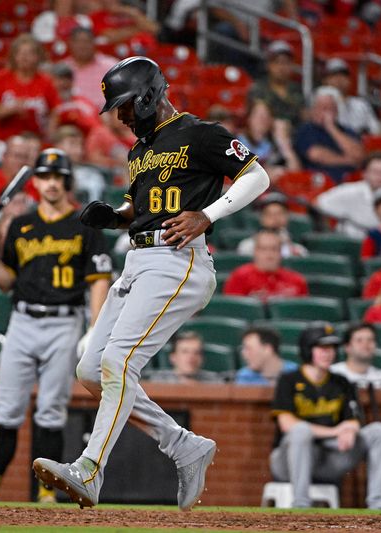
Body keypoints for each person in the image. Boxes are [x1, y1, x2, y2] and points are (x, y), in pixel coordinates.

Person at [33, 56, 270, 510]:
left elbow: (257, 175)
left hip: (178, 258)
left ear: (147, 95)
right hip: (139, 258)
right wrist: (116, 216)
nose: (120, 115)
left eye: (124, 105)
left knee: (119, 361)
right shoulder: (138, 151)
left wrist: (208, 214)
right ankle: (182, 445)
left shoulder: (201, 133)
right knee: (90, 370)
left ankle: (89, 469)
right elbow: (141, 206)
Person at [0, 148, 111, 503]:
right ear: (35, 183)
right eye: (46, 177)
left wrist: (94, 329)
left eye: (58, 177)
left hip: (64, 321)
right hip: (21, 320)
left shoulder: (85, 223)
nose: (51, 183)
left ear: (67, 182)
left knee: (50, 411)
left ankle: (45, 493)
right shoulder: (21, 225)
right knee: (7, 410)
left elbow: (98, 279)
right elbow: (7, 281)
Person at [270, 323, 381, 509]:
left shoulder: (341, 382)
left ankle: (379, 506)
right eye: (322, 348)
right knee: (301, 431)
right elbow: (287, 425)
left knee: (379, 431)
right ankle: (301, 504)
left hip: (329, 459)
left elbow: (353, 418)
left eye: (332, 348)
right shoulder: (289, 380)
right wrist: (335, 431)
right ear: (308, 349)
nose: (328, 353)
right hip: (287, 462)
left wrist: (350, 429)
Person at [0, 33, 60, 141]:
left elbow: (55, 112)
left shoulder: (46, 81)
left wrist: (50, 135)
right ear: (14, 56)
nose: (24, 57)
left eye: (29, 53)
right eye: (20, 53)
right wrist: (10, 109)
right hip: (5, 140)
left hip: (36, 140)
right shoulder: (1, 78)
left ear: (37, 57)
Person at [315, 151, 381, 239]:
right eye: (375, 172)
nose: (380, 176)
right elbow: (318, 203)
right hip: (352, 243)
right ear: (364, 174)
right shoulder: (349, 191)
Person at [294, 86, 364, 183]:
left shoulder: (346, 131)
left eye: (329, 108)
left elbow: (358, 156)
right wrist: (347, 160)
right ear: (313, 110)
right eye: (321, 108)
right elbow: (316, 155)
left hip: (349, 179)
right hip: (319, 180)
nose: (325, 113)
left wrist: (331, 128)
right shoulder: (306, 130)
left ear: (337, 111)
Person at [224, 229, 308, 301]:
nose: (269, 254)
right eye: (263, 249)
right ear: (255, 251)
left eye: (274, 249)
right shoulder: (240, 277)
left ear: (280, 253)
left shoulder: (297, 280)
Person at [237, 99, 301, 182]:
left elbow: (296, 172)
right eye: (259, 116)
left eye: (267, 116)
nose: (263, 120)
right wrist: (267, 173)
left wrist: (283, 142)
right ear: (249, 118)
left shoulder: (274, 145)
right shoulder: (237, 141)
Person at [246, 40, 304, 127]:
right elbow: (258, 115)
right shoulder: (259, 87)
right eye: (277, 62)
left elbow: (302, 116)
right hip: (267, 133)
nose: (281, 67)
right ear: (268, 65)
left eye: (286, 63)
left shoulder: (296, 89)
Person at [321, 57, 381, 136]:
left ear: (349, 81)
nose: (339, 79)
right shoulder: (320, 104)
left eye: (343, 75)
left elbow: (376, 130)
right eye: (334, 75)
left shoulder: (361, 104)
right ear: (326, 81)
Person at [236, 192, 307, 258]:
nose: (275, 218)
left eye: (280, 213)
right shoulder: (248, 246)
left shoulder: (298, 250)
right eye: (269, 214)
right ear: (262, 218)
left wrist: (289, 247)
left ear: (287, 217)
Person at [64, 26, 117, 110]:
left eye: (86, 41)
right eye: (78, 42)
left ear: (94, 43)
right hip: (73, 115)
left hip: (105, 115)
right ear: (70, 43)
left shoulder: (110, 66)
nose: (82, 46)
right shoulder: (63, 68)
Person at [0, 134, 38, 205]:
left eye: (25, 157)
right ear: (4, 156)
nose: (21, 161)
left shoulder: (35, 184)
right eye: (17, 156)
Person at [53, 124, 107, 203]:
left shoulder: (91, 174)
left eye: (80, 145)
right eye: (72, 144)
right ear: (58, 146)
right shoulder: (45, 173)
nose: (78, 149)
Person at [146, 332, 223, 384]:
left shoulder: (214, 382)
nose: (191, 357)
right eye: (185, 352)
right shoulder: (158, 382)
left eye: (196, 352)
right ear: (173, 357)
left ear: (202, 358)